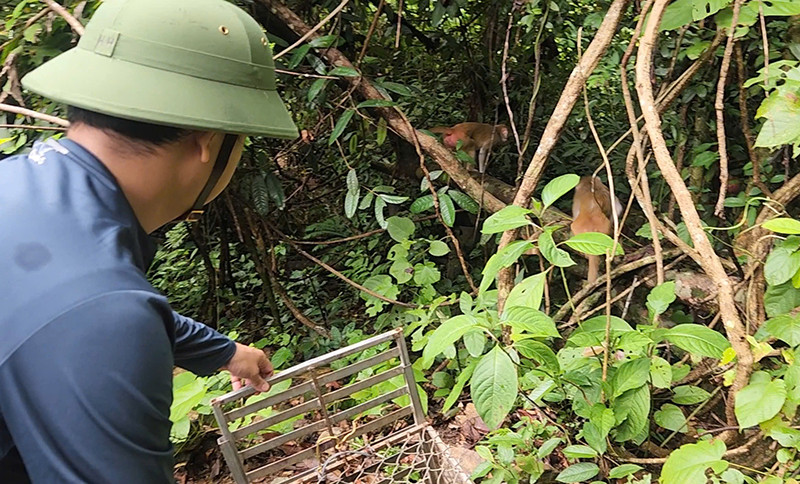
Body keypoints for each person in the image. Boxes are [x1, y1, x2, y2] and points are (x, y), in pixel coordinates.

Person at [0, 0, 299, 481]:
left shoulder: (22, 190)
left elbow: (71, 310)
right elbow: (97, 316)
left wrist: (224, 353)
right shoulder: (101, 311)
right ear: (208, 139)